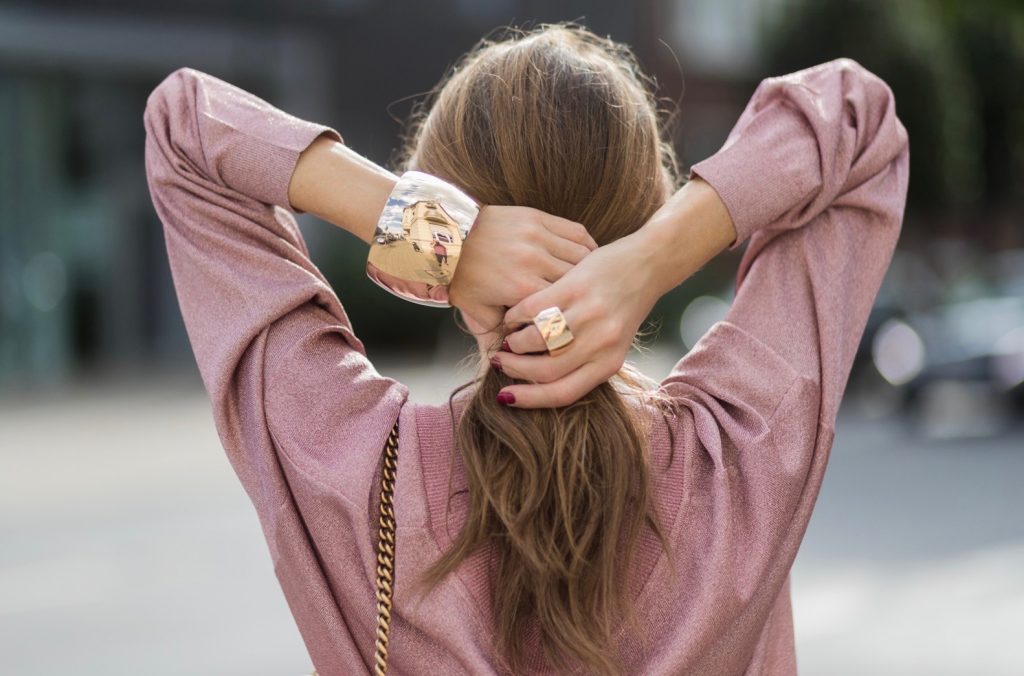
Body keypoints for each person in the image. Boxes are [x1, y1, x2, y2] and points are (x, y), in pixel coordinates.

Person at [143, 23, 908, 676]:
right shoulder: (740, 454)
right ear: (642, 206)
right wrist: (656, 257)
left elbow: (186, 132)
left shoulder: (347, 462)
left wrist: (434, 232)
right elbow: (855, 118)